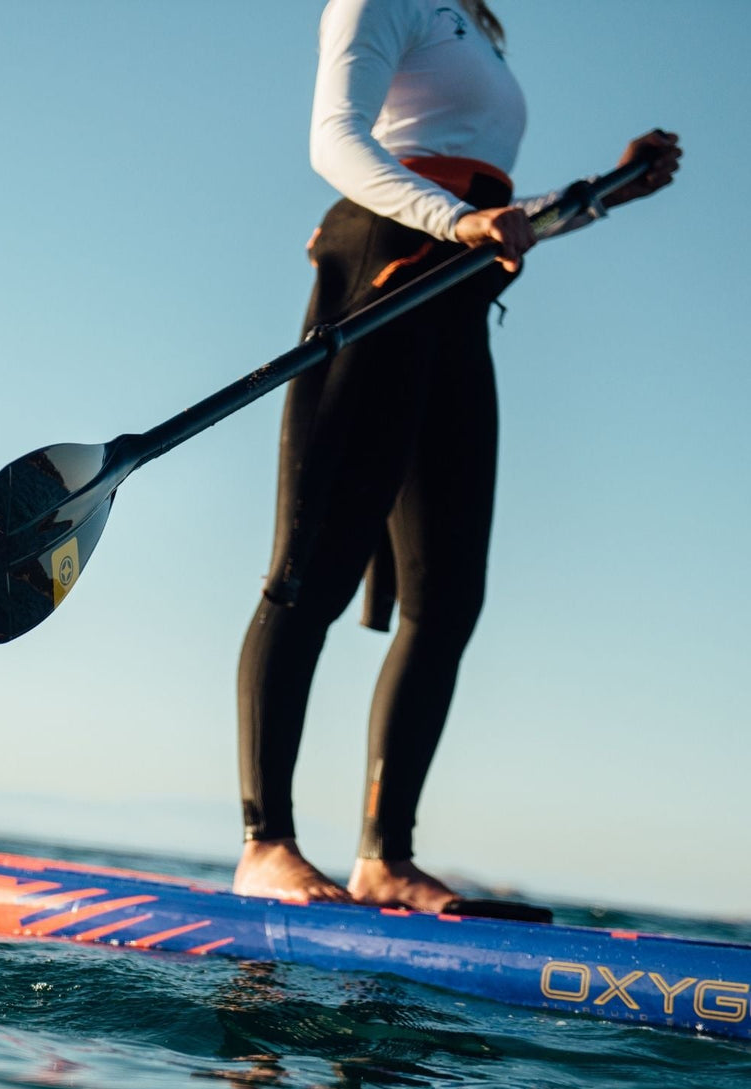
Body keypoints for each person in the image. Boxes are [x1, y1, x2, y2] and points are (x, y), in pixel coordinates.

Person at [232, 0, 681, 909]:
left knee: (446, 600)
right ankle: (266, 844)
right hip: (385, 264)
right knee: (309, 575)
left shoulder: (473, 25)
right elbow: (335, 141)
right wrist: (452, 220)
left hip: (458, 288)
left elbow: (496, 215)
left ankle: (383, 858)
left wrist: (606, 191)